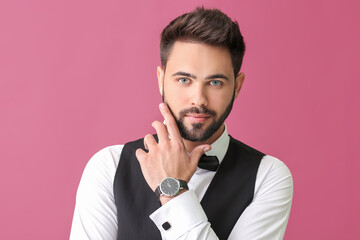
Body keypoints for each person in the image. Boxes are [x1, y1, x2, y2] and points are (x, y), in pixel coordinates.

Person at [70, 6, 293, 240]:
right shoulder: (109, 167)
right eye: (184, 80)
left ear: (237, 86)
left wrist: (173, 190)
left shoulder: (267, 176)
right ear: (161, 80)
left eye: (215, 82)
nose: (199, 99)